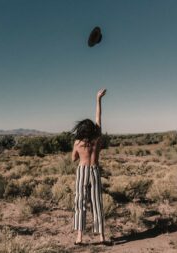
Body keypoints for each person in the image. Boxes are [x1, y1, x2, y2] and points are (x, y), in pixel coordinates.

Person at [71, 88, 111, 246]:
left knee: (80, 203)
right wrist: (98, 99)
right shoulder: (97, 139)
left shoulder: (78, 143)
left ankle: (79, 238)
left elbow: (73, 159)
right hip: (94, 170)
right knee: (96, 203)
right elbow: (98, 118)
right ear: (92, 129)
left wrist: (77, 151)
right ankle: (101, 237)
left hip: (82, 171)